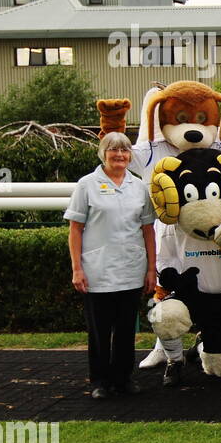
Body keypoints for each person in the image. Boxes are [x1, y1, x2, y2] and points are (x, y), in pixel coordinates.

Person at [65, 131, 158, 399]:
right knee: (99, 330)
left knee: (127, 328)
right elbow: (75, 229)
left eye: (125, 151)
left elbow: (148, 231)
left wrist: (151, 269)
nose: (119, 155)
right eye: (113, 150)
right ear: (103, 153)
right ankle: (99, 382)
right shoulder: (86, 185)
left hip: (131, 269)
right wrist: (77, 268)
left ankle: (123, 378)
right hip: (97, 271)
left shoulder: (139, 186)